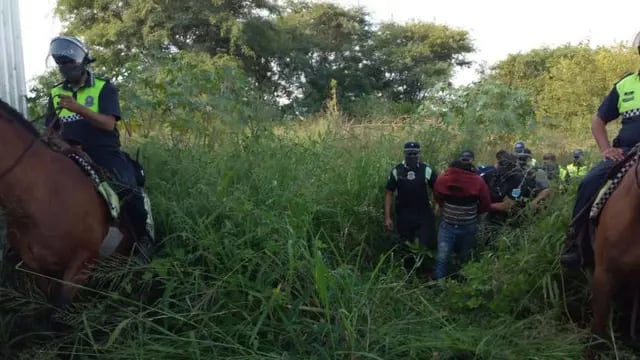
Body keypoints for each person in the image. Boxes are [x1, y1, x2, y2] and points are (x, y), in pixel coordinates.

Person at [44, 35, 155, 264]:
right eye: (61, 65)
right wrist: (56, 141)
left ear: (84, 61)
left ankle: (142, 239)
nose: (65, 68)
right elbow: (51, 130)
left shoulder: (104, 88)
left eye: (70, 63)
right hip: (67, 152)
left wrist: (78, 108)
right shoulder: (55, 93)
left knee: (127, 188)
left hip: (103, 151)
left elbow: (108, 123)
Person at [561, 31, 640, 268]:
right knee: (589, 182)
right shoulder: (625, 84)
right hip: (625, 153)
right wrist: (606, 149)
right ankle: (576, 243)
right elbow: (598, 121)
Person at [432, 152, 492, 280]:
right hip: (467, 225)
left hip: (450, 225)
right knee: (463, 257)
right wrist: (475, 212)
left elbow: (437, 197)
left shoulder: (444, 178)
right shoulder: (477, 181)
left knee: (443, 256)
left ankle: (440, 282)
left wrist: (444, 206)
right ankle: (461, 283)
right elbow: (485, 203)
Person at [384, 141, 438, 252]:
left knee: (424, 245)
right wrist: (387, 217)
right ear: (404, 154)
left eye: (415, 154)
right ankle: (408, 268)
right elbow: (389, 193)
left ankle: (424, 268)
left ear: (419, 154)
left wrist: (437, 205)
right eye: (409, 154)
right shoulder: (397, 170)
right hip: (404, 215)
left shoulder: (426, 169)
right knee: (406, 247)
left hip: (424, 214)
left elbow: (437, 188)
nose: (412, 156)